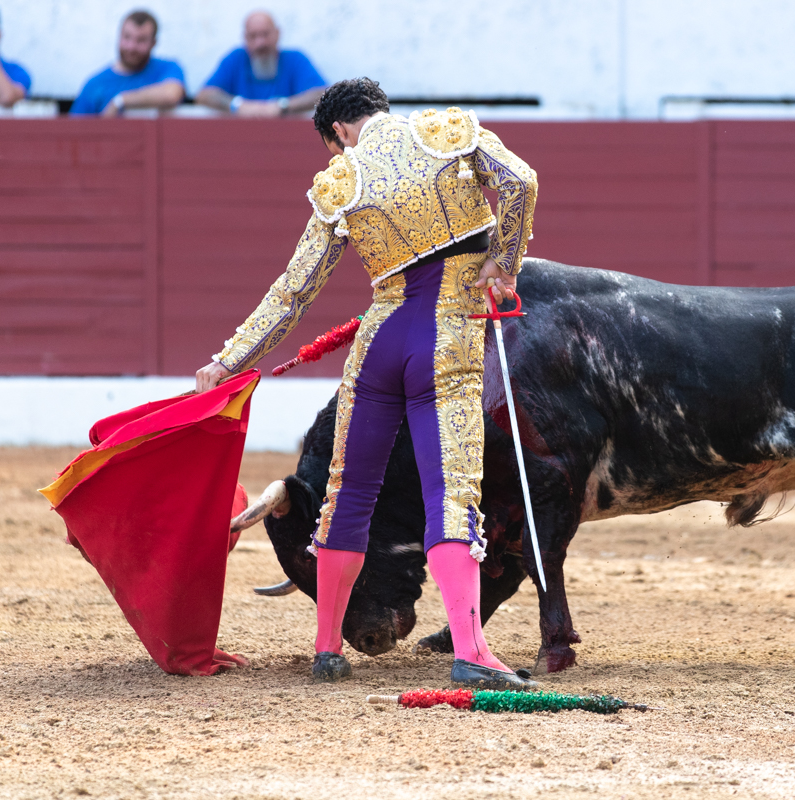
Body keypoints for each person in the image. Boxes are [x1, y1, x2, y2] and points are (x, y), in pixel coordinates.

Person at [194, 78, 539, 688]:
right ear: (378, 113)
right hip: (446, 334)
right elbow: (521, 182)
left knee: (346, 494)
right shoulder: (444, 134)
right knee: (451, 493)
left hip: (378, 344)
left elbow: (293, 290)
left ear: (338, 134)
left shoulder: (341, 180)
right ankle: (470, 649)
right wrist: (503, 263)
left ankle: (327, 648)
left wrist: (228, 359)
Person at [195, 11, 326, 117]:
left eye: (265, 34)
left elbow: (322, 94)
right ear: (245, 38)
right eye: (253, 36)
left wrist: (283, 106)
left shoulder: (295, 59)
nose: (260, 43)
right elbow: (205, 95)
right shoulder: (235, 59)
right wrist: (238, 105)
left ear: (277, 34)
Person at [70, 10, 184, 116]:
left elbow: (171, 94)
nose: (131, 47)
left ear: (153, 43)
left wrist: (120, 101)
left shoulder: (167, 69)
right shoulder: (95, 85)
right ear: (119, 36)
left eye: (141, 40)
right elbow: (73, 132)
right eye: (127, 37)